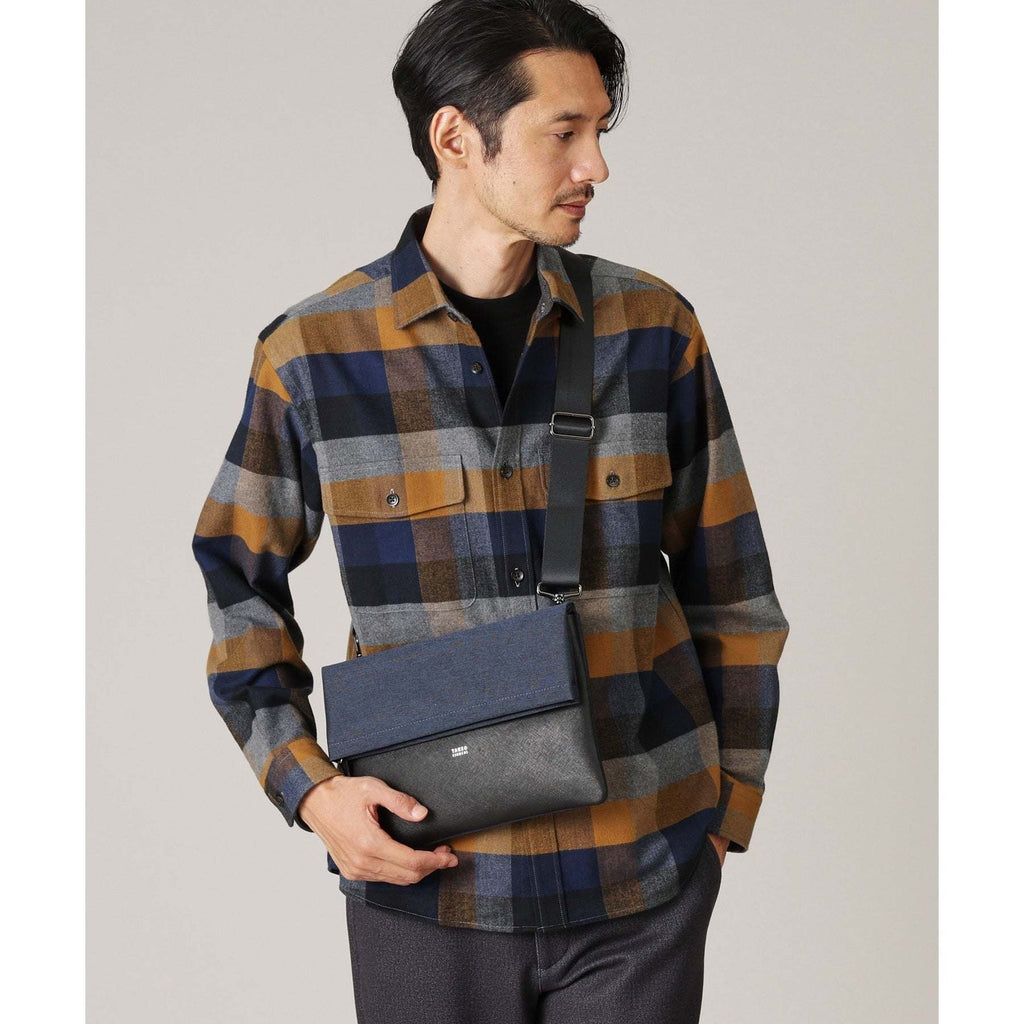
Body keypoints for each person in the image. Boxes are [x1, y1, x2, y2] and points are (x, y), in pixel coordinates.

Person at [191, 1, 790, 1020]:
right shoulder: (313, 355)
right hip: (428, 889)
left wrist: (726, 806)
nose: (596, 166)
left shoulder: (652, 329)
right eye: (565, 132)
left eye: (600, 130)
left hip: (642, 879)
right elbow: (236, 583)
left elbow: (732, 588)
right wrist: (310, 788)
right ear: (456, 136)